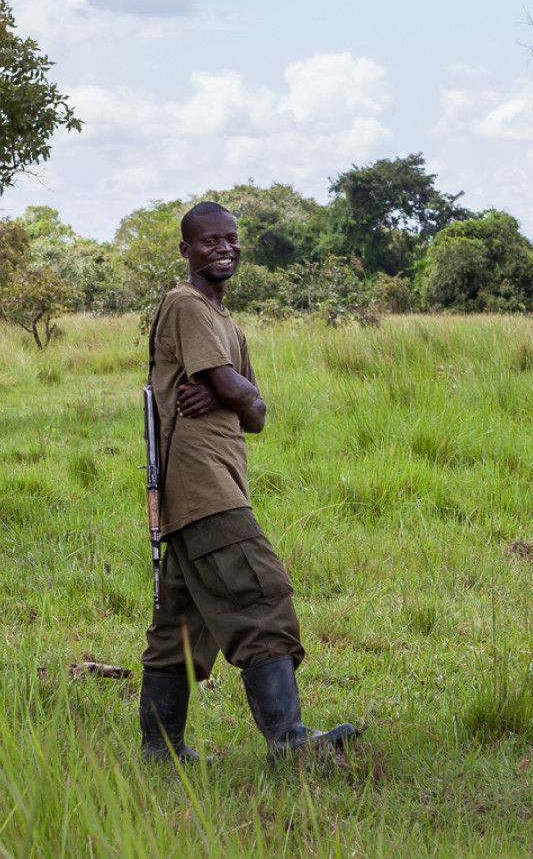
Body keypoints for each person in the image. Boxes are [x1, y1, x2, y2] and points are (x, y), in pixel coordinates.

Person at [138, 201, 358, 764]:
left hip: (207, 485)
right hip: (204, 483)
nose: (225, 248)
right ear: (186, 250)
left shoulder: (227, 322)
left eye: (231, 239)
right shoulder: (186, 304)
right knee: (261, 594)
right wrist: (230, 389)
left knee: (180, 626)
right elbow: (236, 391)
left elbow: (255, 412)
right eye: (210, 241)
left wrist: (231, 392)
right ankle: (289, 742)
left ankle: (160, 752)